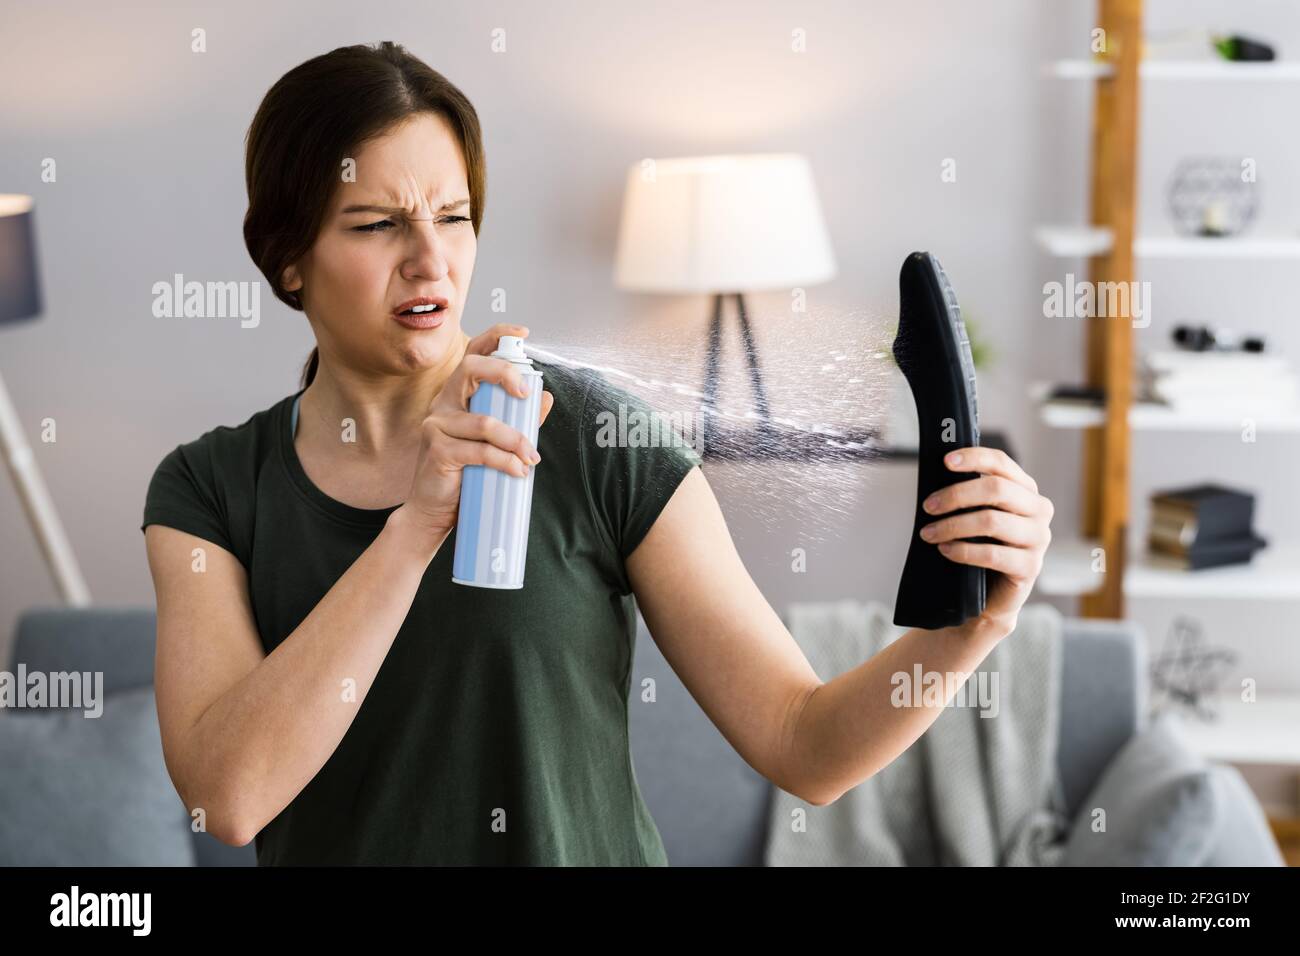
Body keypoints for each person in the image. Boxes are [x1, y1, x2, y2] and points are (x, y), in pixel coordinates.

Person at [141, 41, 1053, 866]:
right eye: (376, 223)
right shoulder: (210, 490)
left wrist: (971, 629)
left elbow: (803, 745)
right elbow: (229, 799)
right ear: (286, 256)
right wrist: (414, 529)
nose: (430, 260)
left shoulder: (593, 438)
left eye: (453, 217)